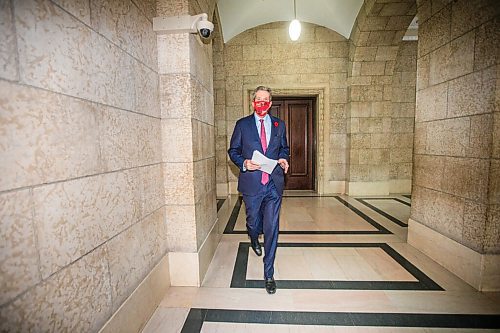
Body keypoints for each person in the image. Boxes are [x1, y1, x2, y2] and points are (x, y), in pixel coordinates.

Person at [228, 86, 290, 294]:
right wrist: (244, 163)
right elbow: (233, 150)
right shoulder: (242, 125)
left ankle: (269, 273)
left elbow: (284, 148)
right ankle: (253, 236)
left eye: (266, 99)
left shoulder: (279, 125)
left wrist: (283, 158)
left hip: (273, 183)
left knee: (272, 227)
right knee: (254, 221)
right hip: (252, 183)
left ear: (270, 103)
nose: (261, 102)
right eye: (258, 99)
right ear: (253, 102)